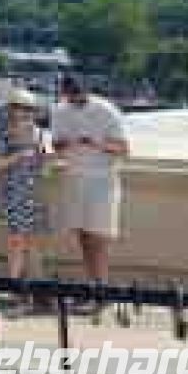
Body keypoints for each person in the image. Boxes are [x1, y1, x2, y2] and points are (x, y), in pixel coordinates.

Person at [50, 73, 128, 284]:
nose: (74, 99)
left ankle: (101, 288)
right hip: (74, 177)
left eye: (78, 94)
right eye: (70, 95)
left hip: (102, 180)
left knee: (98, 237)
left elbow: (123, 149)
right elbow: (56, 145)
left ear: (87, 91)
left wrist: (95, 144)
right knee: (83, 235)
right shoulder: (59, 111)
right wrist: (69, 143)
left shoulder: (107, 111)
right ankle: (92, 285)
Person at [0, 87, 47, 280]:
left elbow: (42, 166)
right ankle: (15, 283)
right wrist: (19, 155)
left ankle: (35, 285)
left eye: (28, 108)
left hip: (33, 193)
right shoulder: (3, 133)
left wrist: (42, 159)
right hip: (12, 192)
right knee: (17, 240)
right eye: (19, 107)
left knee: (32, 241)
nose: (23, 112)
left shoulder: (38, 134)